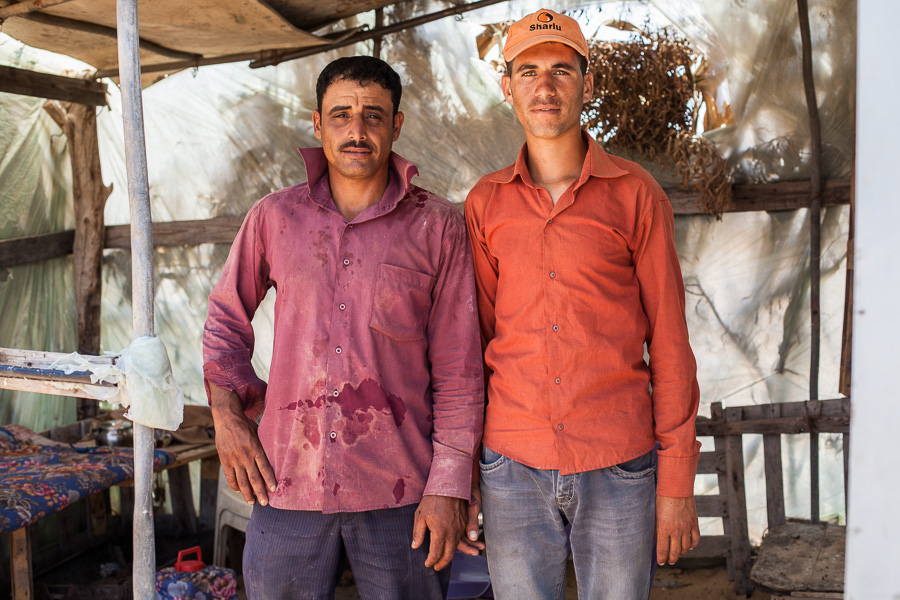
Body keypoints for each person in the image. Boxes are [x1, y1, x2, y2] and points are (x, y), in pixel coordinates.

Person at [202, 56, 484, 600]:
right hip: (287, 483)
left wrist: (449, 484)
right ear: (317, 124)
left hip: (403, 491)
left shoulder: (437, 226)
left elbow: (460, 369)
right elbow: (224, 323)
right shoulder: (274, 218)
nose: (357, 130)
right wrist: (227, 417)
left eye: (373, 115)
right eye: (341, 115)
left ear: (396, 125)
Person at [462, 9, 701, 599]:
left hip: (619, 460)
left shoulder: (636, 195)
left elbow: (670, 342)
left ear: (587, 84)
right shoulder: (485, 203)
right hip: (511, 463)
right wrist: (463, 474)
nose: (544, 87)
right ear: (507, 88)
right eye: (528, 72)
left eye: (562, 71)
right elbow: (473, 347)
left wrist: (676, 483)